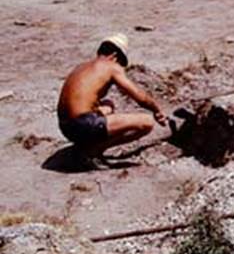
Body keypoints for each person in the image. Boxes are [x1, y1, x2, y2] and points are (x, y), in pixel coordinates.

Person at [57, 33, 167, 165]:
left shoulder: (82, 67)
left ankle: (85, 144)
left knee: (108, 105)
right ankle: (92, 151)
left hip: (65, 126)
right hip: (82, 125)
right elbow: (140, 97)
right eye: (121, 63)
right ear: (115, 56)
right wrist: (156, 110)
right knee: (147, 122)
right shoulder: (111, 66)